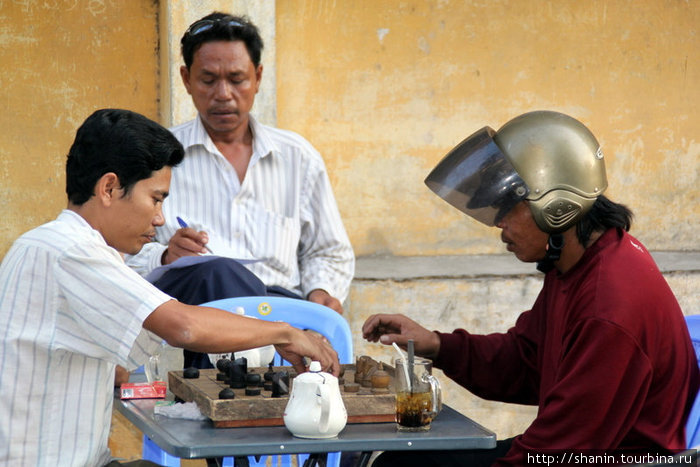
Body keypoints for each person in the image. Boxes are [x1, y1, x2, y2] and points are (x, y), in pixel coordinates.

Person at [0, 109, 340, 467]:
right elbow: (184, 326)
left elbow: (114, 367)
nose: (160, 218)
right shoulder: (71, 252)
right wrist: (284, 333)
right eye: (156, 199)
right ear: (109, 188)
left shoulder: (52, 245)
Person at [362, 110, 699, 466]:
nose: (499, 224)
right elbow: (528, 361)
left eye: (508, 207)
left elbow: (562, 451)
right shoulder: (580, 261)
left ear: (557, 206)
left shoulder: (609, 306)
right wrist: (439, 345)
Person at [125, 13, 354, 349]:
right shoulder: (157, 158)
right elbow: (123, 257)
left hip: (281, 313)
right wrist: (164, 256)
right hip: (196, 322)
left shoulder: (297, 157)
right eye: (208, 80)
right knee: (216, 272)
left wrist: (321, 294)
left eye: (236, 79)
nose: (223, 94)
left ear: (258, 77)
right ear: (186, 79)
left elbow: (329, 252)